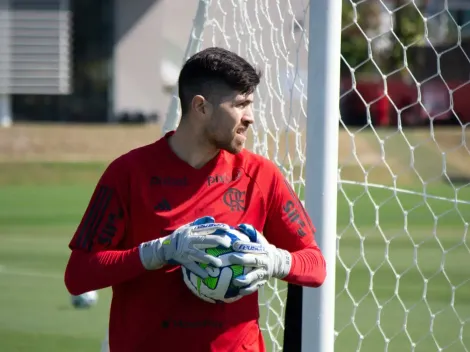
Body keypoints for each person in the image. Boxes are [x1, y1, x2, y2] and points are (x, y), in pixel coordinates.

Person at [64, 47, 326, 352]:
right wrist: (160, 252)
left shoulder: (262, 175)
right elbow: (79, 275)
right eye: (241, 104)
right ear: (201, 107)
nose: (250, 118)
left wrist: (275, 260)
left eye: (250, 104)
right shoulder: (128, 174)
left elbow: (315, 265)